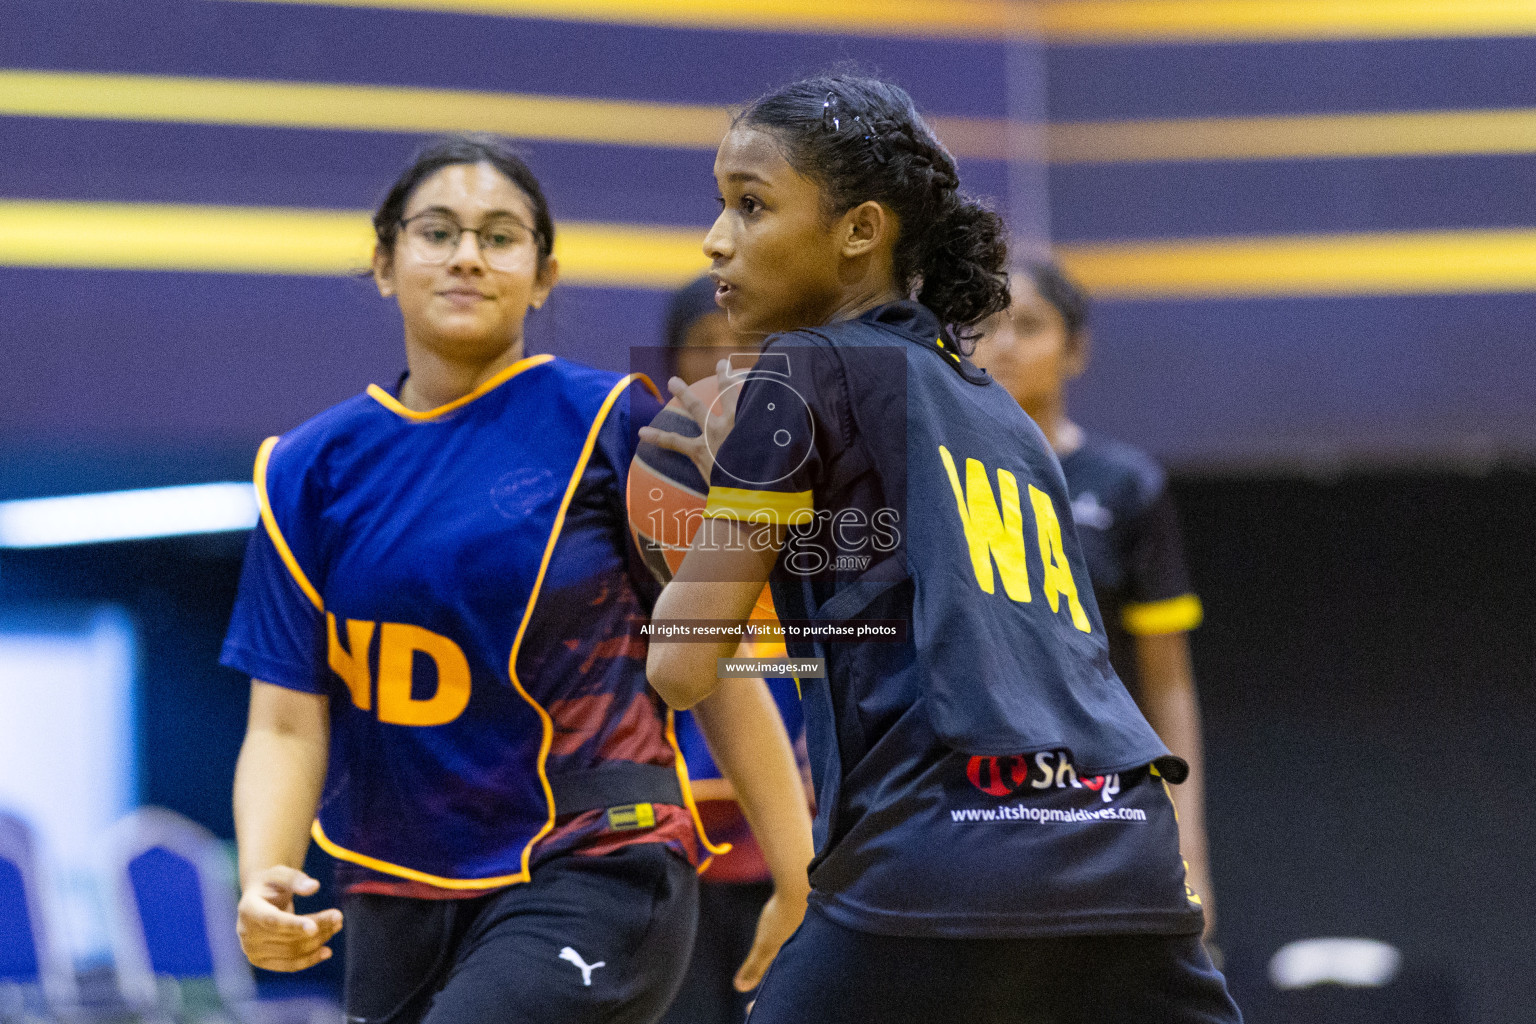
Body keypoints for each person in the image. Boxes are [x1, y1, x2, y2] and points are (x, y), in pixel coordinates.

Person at [641, 75, 1241, 1022]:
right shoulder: (1003, 415)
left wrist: (690, 529)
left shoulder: (802, 367)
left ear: (859, 229)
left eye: (751, 204)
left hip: (938, 851)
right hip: (1120, 853)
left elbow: (680, 667)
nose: (718, 238)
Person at [220, 134, 813, 1024]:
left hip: (596, 863)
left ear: (543, 275)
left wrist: (799, 877)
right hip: (397, 888)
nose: (467, 255)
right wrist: (263, 875)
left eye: (500, 236)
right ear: (385, 262)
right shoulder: (304, 468)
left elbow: (714, 668)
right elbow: (284, 718)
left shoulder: (618, 427)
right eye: (437, 232)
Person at [970, 259, 1218, 935]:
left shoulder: (1126, 484)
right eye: (983, 326)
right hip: (969, 809)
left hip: (1102, 805)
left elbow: (1166, 684)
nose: (1004, 344)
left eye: (1027, 325)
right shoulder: (931, 480)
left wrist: (1188, 849)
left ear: (1075, 349)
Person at [654, 276, 815, 1024]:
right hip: (680, 837)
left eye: (747, 349)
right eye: (706, 351)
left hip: (812, 824)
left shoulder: (834, 487)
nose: (729, 369)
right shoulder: (648, 489)